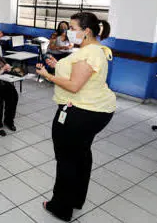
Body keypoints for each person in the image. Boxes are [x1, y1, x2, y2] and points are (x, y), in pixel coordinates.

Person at [35, 12, 115, 222]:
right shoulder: (92, 49)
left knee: (66, 159)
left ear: (86, 31)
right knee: (81, 154)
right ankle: (76, 199)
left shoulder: (89, 53)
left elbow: (74, 85)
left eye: (72, 28)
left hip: (81, 111)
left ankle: (61, 207)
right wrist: (57, 65)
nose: (68, 32)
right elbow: (77, 74)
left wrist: (47, 76)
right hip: (94, 109)